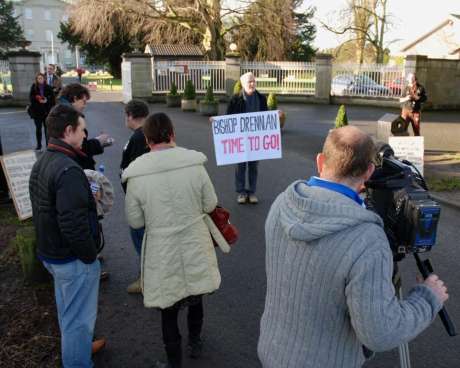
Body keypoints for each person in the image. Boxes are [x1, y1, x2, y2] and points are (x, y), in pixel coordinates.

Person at [258, 126, 448, 368]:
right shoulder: (367, 239)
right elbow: (380, 334)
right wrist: (427, 298)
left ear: (320, 161)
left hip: (273, 353)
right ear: (369, 172)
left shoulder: (282, 204)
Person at [122, 112, 221, 368]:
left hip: (161, 246)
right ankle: (195, 342)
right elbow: (210, 203)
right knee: (196, 293)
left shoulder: (136, 175)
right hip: (194, 239)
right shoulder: (194, 164)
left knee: (168, 306)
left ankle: (173, 362)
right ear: (172, 134)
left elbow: (135, 221)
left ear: (147, 139)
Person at [29, 104, 106, 367]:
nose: (85, 135)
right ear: (69, 131)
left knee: (68, 313)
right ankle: (78, 359)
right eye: (82, 130)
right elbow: (72, 223)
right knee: (78, 321)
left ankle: (79, 350)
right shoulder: (68, 169)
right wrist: (89, 256)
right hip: (71, 259)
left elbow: (46, 207)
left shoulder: (43, 160)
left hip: (51, 253)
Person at [120, 99, 150, 294]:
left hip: (140, 200)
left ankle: (146, 280)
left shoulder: (139, 138)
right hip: (144, 197)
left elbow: (136, 170)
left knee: (142, 240)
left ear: (130, 116)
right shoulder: (143, 135)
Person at [226, 72, 267, 204]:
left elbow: (267, 117)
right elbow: (228, 118)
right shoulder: (235, 99)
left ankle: (252, 192)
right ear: (243, 84)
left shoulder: (261, 98)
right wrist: (215, 121)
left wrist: (275, 115)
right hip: (240, 140)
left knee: (253, 166)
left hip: (256, 140)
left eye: (254, 81)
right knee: (241, 166)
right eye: (249, 82)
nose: (252, 84)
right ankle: (241, 193)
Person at [57, 83, 112, 170]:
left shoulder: (60, 112)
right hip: (77, 166)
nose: (85, 106)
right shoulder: (68, 116)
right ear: (75, 98)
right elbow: (80, 147)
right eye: (83, 101)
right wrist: (99, 141)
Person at [28, 72, 55, 150]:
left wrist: (46, 100)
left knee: (47, 129)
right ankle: (39, 144)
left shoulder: (48, 87)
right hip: (37, 112)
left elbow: (53, 99)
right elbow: (31, 98)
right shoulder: (34, 87)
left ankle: (48, 144)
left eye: (41, 78)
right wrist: (37, 99)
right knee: (38, 128)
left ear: (44, 79)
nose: (40, 80)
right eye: (38, 78)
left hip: (46, 111)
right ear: (36, 79)